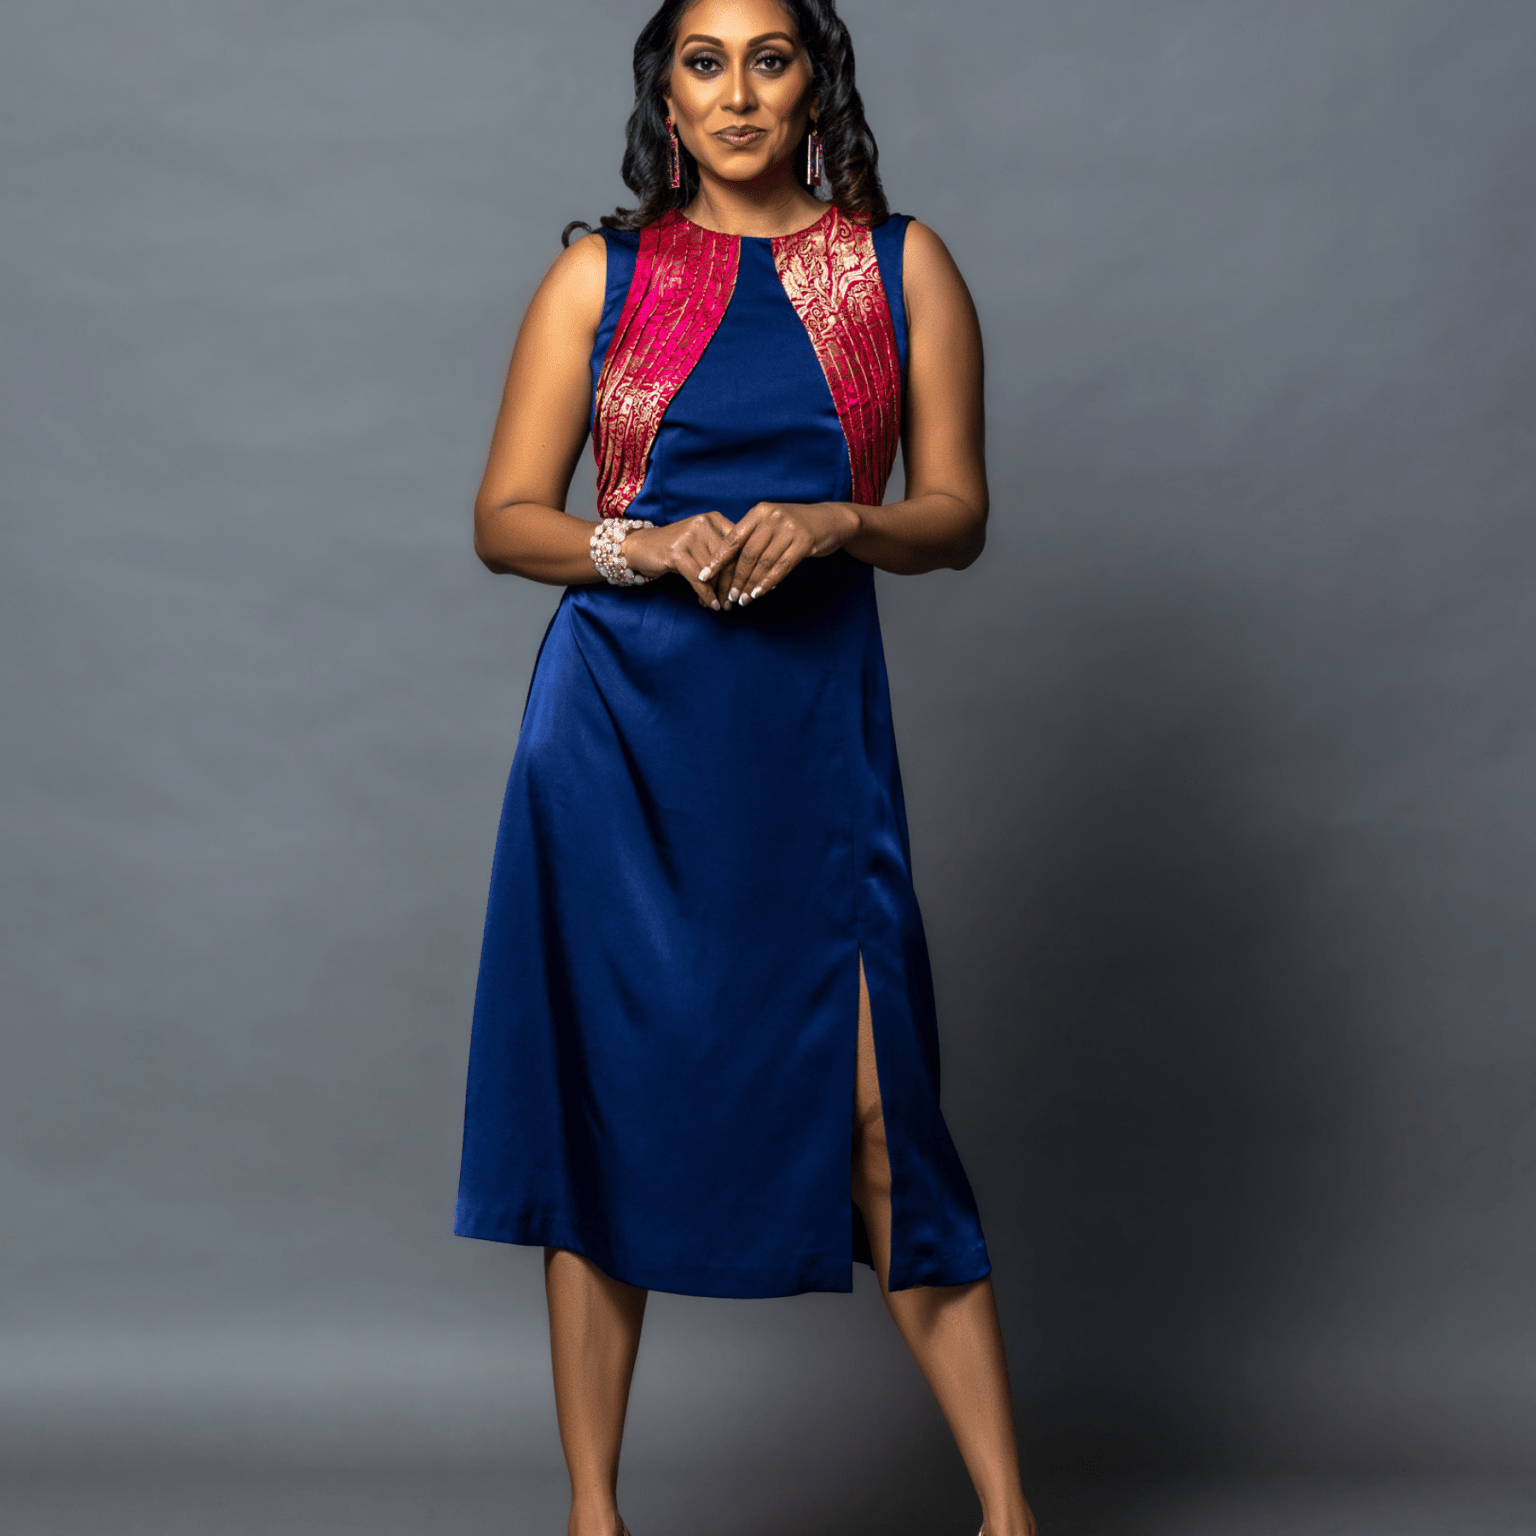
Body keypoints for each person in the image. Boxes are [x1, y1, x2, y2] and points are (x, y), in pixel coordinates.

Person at [456, 1, 1036, 1532]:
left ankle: (1009, 1517)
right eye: (701, 62)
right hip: (617, 742)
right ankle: (596, 1519)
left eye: (767, 58)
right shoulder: (602, 273)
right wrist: (633, 546)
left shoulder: (901, 268)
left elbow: (957, 512)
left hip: (808, 739)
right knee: (601, 1115)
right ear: (666, 89)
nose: (734, 92)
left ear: (812, 83)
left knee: (876, 1112)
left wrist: (844, 522)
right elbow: (507, 516)